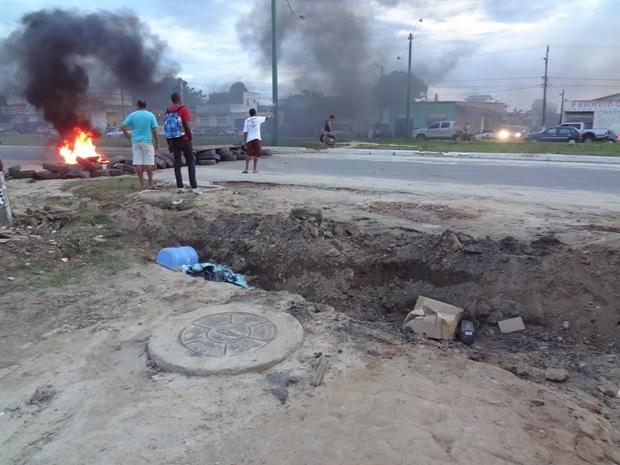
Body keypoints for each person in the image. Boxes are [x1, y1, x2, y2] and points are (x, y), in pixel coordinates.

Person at [165, 92, 198, 193]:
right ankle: (194, 186)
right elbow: (186, 125)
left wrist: (169, 143)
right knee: (190, 161)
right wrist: (190, 137)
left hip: (173, 140)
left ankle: (180, 187)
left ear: (172, 99)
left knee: (177, 162)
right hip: (184, 139)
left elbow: (167, 127)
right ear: (180, 98)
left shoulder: (168, 111)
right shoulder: (183, 109)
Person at [121, 99, 159, 190]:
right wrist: (157, 142)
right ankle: (151, 183)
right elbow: (154, 130)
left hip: (136, 142)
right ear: (145, 106)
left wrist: (129, 137)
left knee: (138, 163)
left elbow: (122, 127)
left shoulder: (132, 115)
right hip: (147, 142)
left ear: (137, 105)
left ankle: (142, 185)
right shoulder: (150, 115)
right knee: (149, 163)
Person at [242, 108, 272, 174]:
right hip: (257, 138)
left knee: (248, 154)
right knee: (256, 154)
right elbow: (266, 118)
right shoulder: (258, 118)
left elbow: (245, 132)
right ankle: (254, 169)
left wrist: (245, 142)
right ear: (255, 113)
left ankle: (246, 169)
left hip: (249, 139)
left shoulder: (247, 120)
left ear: (249, 114)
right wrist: (271, 116)